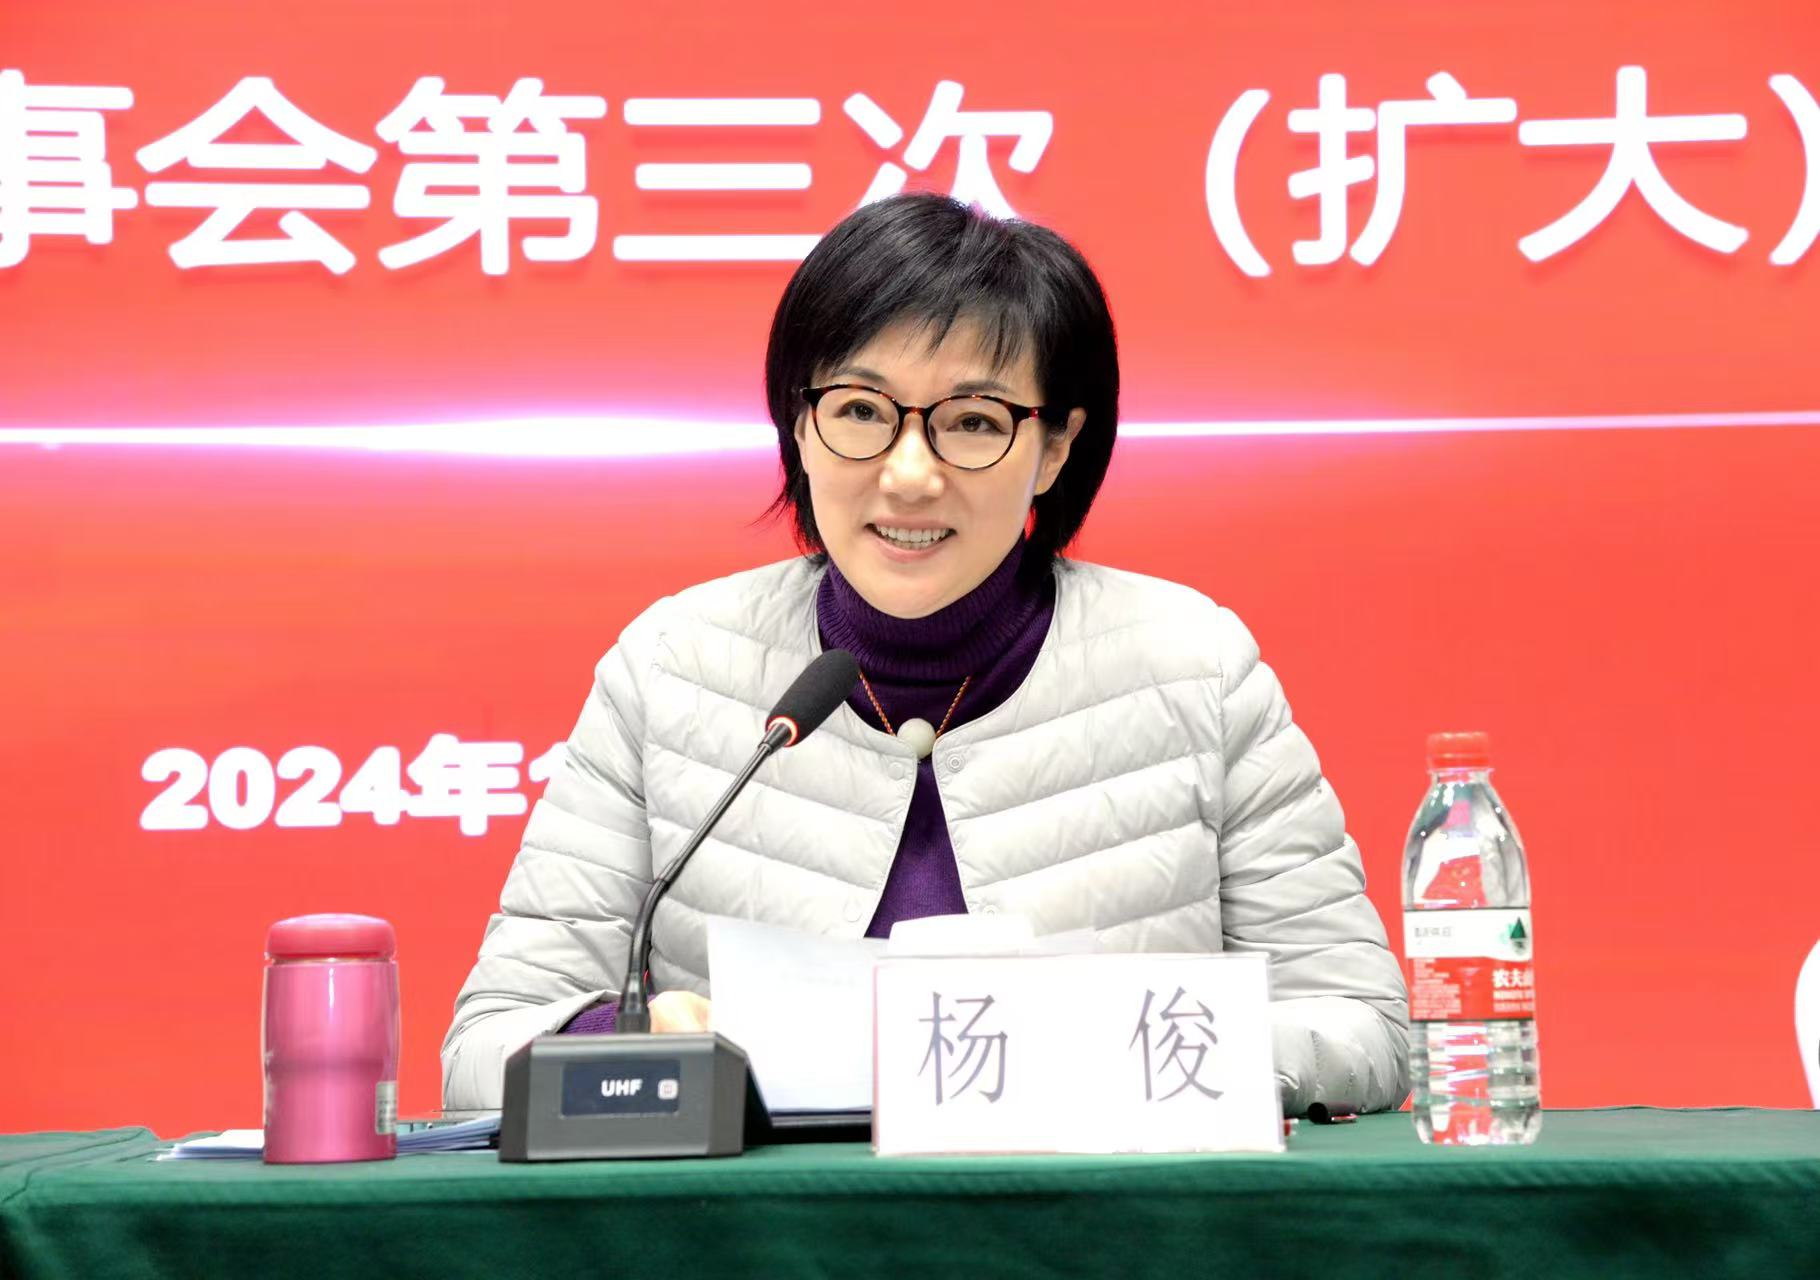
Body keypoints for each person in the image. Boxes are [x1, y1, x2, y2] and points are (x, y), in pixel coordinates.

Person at [442, 192, 1410, 1114]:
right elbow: (489, 1047)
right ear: (798, 423)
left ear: (1056, 447)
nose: (909, 474)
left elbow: (1359, 1027)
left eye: (974, 422)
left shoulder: (1194, 668)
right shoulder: (670, 672)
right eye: (861, 411)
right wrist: (630, 1040)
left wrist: (1115, 1049)